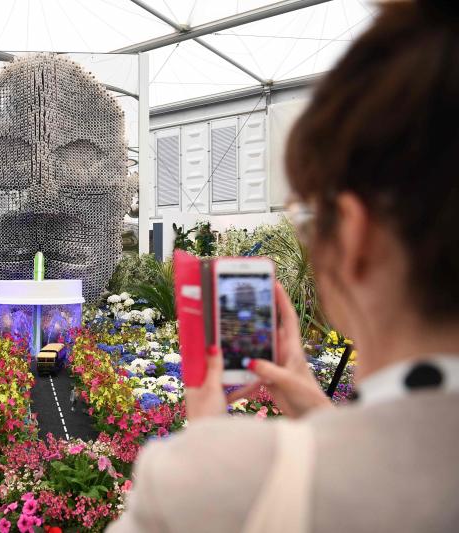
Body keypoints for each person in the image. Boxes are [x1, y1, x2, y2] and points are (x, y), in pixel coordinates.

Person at [107, 1, 459, 532]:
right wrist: (316, 410)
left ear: (355, 234)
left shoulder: (216, 484)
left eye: (306, 217)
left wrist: (206, 455)